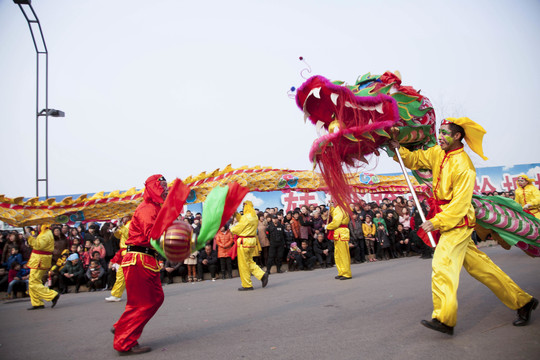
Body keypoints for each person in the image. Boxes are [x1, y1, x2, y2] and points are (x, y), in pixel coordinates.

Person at [390, 117, 537, 335]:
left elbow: (460, 204)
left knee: (442, 265)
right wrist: (397, 148)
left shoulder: (465, 166)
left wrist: (436, 222)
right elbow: (414, 159)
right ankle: (523, 301)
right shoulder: (437, 152)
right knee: (483, 269)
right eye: (439, 132)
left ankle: (444, 318)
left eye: (444, 133)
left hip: (457, 222)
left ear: (457, 136)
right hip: (445, 217)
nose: (440, 137)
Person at [112, 174, 169, 355]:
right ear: (154, 188)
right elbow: (153, 234)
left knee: (156, 299)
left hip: (147, 260)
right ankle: (125, 342)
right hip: (138, 260)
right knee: (141, 303)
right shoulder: (147, 208)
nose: (166, 190)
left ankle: (123, 327)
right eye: (163, 186)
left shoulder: (156, 208)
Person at [230, 201, 268, 291]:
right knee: (249, 261)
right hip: (252, 241)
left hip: (244, 242)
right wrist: (236, 213)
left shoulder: (246, 218)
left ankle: (247, 285)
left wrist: (231, 228)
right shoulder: (254, 217)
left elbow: (237, 229)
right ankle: (261, 275)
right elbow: (243, 220)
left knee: (243, 264)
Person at [25, 225, 60, 310]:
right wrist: (29, 240)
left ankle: (52, 295)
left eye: (39, 224)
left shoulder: (46, 234)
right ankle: (37, 303)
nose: (37, 226)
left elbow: (38, 246)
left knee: (33, 282)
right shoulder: (44, 233)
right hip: (38, 258)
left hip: (39, 259)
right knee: (33, 281)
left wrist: (29, 237)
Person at [105, 215, 131, 302]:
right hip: (125, 253)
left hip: (131, 252)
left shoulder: (131, 224)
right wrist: (116, 231)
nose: (122, 218)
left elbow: (129, 235)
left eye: (124, 217)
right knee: (121, 274)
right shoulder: (124, 224)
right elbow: (119, 236)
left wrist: (121, 226)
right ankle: (116, 294)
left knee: (128, 274)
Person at [326, 202, 351, 280]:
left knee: (343, 254)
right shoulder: (341, 207)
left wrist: (328, 226)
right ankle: (341, 272)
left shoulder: (340, 208)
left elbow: (336, 222)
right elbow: (335, 215)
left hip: (341, 233)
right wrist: (331, 208)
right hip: (339, 233)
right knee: (338, 254)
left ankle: (346, 273)